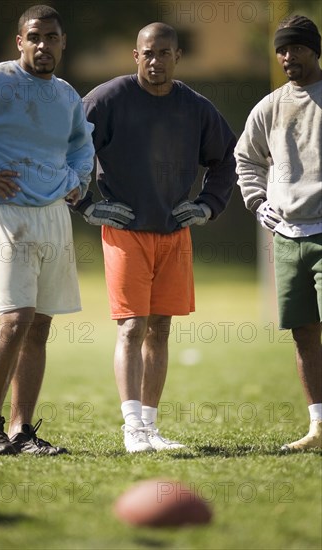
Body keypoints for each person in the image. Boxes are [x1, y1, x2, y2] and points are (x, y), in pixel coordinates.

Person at [73, 23, 237, 453]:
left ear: (177, 57)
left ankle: (150, 427)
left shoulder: (196, 107)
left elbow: (227, 160)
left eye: (164, 53)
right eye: (147, 53)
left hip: (174, 233)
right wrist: (85, 203)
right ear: (135, 55)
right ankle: (131, 430)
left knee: (160, 328)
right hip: (125, 231)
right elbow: (67, 149)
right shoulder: (107, 99)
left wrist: (207, 205)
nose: (155, 61)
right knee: (132, 327)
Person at [0, 5, 94, 456]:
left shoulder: (67, 95)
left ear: (63, 42)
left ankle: (21, 432)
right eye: (34, 37)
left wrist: (77, 180)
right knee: (14, 320)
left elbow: (81, 145)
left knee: (39, 327)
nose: (42, 45)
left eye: (51, 38)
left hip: (54, 214)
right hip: (6, 212)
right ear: (20, 41)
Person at [235, 15, 322, 451]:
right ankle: (319, 427)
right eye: (282, 50)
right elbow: (245, 158)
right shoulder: (269, 106)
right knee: (304, 333)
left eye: (297, 48)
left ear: (314, 50)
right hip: (287, 236)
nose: (288, 57)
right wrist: (257, 201)